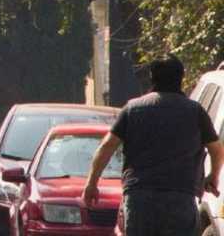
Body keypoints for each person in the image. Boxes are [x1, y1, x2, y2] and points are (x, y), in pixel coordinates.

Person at [84, 54, 224, 236]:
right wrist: (213, 176)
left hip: (140, 199)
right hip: (180, 198)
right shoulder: (195, 112)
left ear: (151, 77)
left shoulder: (132, 109)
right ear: (181, 78)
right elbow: (216, 148)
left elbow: (107, 146)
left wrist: (92, 183)